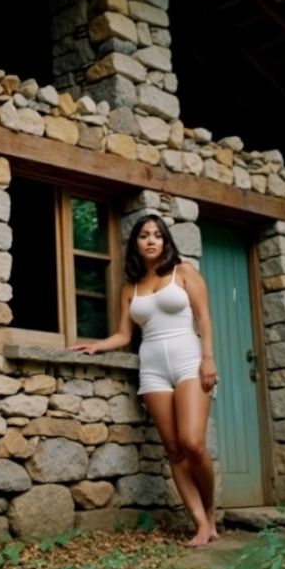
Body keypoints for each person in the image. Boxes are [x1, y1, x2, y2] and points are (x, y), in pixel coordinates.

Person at [71, 213, 219, 546]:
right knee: (173, 450)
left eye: (157, 235)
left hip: (189, 360)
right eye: (144, 235)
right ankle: (198, 524)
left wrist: (208, 358)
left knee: (192, 444)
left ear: (165, 241)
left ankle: (210, 512)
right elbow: (124, 334)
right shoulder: (130, 288)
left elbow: (204, 317)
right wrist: (96, 346)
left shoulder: (184, 273)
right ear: (135, 243)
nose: (151, 240)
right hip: (151, 366)